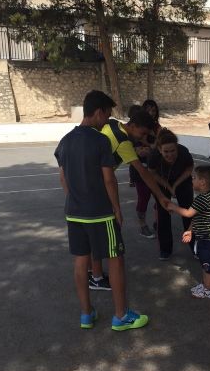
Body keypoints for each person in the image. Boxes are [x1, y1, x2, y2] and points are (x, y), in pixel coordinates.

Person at [54, 90, 148, 331]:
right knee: (116, 260)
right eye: (106, 115)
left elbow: (62, 176)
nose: (107, 120)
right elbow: (109, 180)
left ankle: (86, 314)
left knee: (80, 261)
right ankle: (120, 315)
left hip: (74, 212)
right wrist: (116, 208)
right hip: (100, 213)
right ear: (97, 113)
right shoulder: (100, 141)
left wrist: (74, 199)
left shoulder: (65, 140)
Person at [88, 104, 170, 289]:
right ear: (132, 125)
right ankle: (98, 278)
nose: (142, 138)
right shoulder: (124, 141)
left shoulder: (112, 124)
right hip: (98, 189)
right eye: (141, 133)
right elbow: (143, 172)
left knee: (90, 233)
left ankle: (91, 271)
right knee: (107, 237)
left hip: (84, 186)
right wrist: (160, 196)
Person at [168, 165, 210, 299]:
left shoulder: (202, 199)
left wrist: (172, 206)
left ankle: (208, 291)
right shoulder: (205, 196)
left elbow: (187, 213)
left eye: (194, 178)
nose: (192, 180)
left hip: (208, 239)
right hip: (205, 237)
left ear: (202, 182)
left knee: (208, 265)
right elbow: (196, 217)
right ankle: (205, 285)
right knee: (204, 263)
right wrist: (190, 231)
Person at [148, 129, 194, 260]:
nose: (170, 155)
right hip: (162, 181)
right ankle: (165, 249)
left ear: (177, 147)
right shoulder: (153, 156)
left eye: (173, 151)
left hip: (182, 180)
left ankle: (195, 245)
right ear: (159, 149)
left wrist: (175, 185)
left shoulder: (183, 152)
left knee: (188, 212)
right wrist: (168, 186)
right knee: (163, 214)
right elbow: (152, 173)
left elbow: (189, 168)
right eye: (166, 152)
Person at [130, 100, 162, 238]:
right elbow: (135, 150)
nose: (152, 113)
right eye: (149, 110)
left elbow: (161, 147)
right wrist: (146, 148)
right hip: (140, 168)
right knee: (143, 198)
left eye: (154, 110)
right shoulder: (136, 129)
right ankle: (143, 226)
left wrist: (150, 146)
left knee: (159, 197)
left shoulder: (157, 128)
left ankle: (158, 222)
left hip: (156, 168)